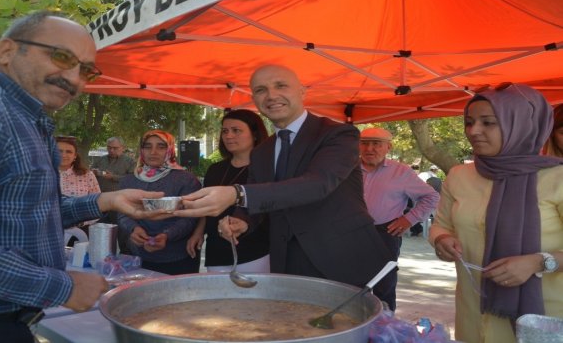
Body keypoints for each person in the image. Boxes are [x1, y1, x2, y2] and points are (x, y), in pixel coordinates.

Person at [0, 11, 166, 343]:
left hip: (2, 322)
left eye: (86, 70)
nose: (74, 77)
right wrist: (64, 286)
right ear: (8, 51)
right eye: (61, 56)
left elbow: (25, 209)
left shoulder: (25, 119)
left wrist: (105, 200)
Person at [175, 64, 392, 289]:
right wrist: (242, 220)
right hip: (286, 263)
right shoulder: (261, 152)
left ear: (302, 91)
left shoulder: (338, 134)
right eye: (260, 90)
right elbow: (257, 203)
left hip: (344, 260)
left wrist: (236, 194)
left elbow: (316, 185)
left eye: (281, 86)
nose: (271, 95)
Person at [429, 83, 562, 343]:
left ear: (521, 124)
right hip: (473, 312)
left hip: (543, 319)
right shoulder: (459, 176)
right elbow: (441, 225)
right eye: (469, 122)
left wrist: (538, 262)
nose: (473, 131)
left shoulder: (557, 178)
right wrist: (442, 240)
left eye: (488, 123)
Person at [358, 127, 440, 310]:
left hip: (385, 233)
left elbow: (432, 197)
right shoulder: (347, 169)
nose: (369, 148)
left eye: (376, 144)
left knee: (384, 287)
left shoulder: (401, 172)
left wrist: (409, 219)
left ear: (389, 147)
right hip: (350, 234)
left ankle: (385, 332)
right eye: (364, 143)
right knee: (351, 285)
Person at [186, 109, 271, 273]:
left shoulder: (267, 169)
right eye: (225, 131)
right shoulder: (215, 169)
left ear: (254, 134)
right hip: (216, 251)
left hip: (254, 250)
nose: (228, 136)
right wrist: (198, 233)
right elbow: (207, 208)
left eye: (236, 130)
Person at [118, 130, 202, 275]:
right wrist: (133, 229)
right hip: (137, 257)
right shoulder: (129, 180)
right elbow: (122, 213)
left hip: (178, 258)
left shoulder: (186, 179)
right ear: (141, 150)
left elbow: (190, 217)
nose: (153, 152)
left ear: (170, 149)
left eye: (161, 146)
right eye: (148, 146)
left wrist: (166, 235)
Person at [56, 135, 101, 238]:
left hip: (79, 231)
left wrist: (81, 222)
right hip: (46, 231)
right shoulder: (40, 175)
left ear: (75, 156)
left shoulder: (87, 175)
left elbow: (97, 203)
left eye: (69, 151)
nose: (63, 155)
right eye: (59, 151)